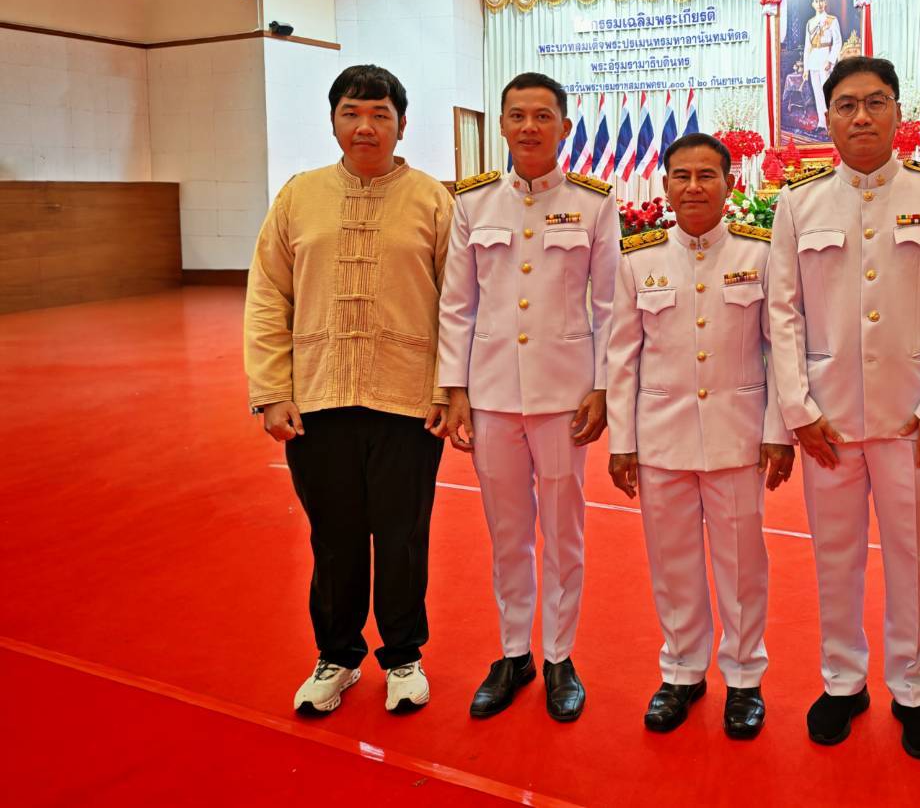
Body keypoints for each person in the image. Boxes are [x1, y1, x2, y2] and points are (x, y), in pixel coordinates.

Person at [768, 55, 920, 760]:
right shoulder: (799, 203)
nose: (861, 116)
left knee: (914, 558)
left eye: (875, 102)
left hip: (911, 418)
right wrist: (797, 407)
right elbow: (783, 312)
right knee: (834, 557)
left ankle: (913, 688)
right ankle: (842, 680)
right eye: (847, 105)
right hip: (827, 420)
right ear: (826, 118)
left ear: (897, 113)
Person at [244, 64, 451, 718]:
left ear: (401, 125)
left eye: (380, 114)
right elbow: (266, 296)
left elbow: (459, 306)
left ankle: (403, 657)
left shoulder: (432, 200)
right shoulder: (298, 196)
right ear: (333, 121)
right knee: (333, 539)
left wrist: (449, 390)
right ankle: (336, 656)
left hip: (407, 403)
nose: (366, 126)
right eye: (352, 113)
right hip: (318, 400)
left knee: (402, 537)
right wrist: (271, 389)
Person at [438, 71, 618, 723]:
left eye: (543, 116)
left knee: (563, 534)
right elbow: (457, 304)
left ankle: (559, 656)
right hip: (492, 394)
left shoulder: (594, 204)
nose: (530, 127)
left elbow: (611, 305)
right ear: (502, 126)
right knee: (507, 534)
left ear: (564, 127)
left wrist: (602, 386)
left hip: (564, 397)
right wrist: (454, 388)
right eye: (517, 116)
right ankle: (514, 654)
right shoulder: (474, 203)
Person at [606, 132, 795, 739]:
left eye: (706, 175)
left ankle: (743, 677)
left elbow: (780, 349)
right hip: (661, 438)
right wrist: (622, 442)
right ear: (664, 186)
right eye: (681, 176)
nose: (693, 187)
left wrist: (778, 431)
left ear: (729, 184)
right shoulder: (637, 260)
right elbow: (621, 358)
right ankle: (682, 671)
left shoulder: (758, 254)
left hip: (738, 435)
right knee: (673, 562)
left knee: (742, 564)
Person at [803, 0, 843, 126]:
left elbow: (837, 42)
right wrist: (806, 68)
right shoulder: (810, 23)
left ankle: (832, 122)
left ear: (825, 3)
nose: (819, 4)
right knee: (817, 93)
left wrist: (830, 60)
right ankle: (822, 123)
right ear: (812, 4)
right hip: (813, 59)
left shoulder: (832, 20)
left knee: (828, 92)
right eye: (816, 1)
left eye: (821, 1)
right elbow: (807, 46)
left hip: (826, 58)